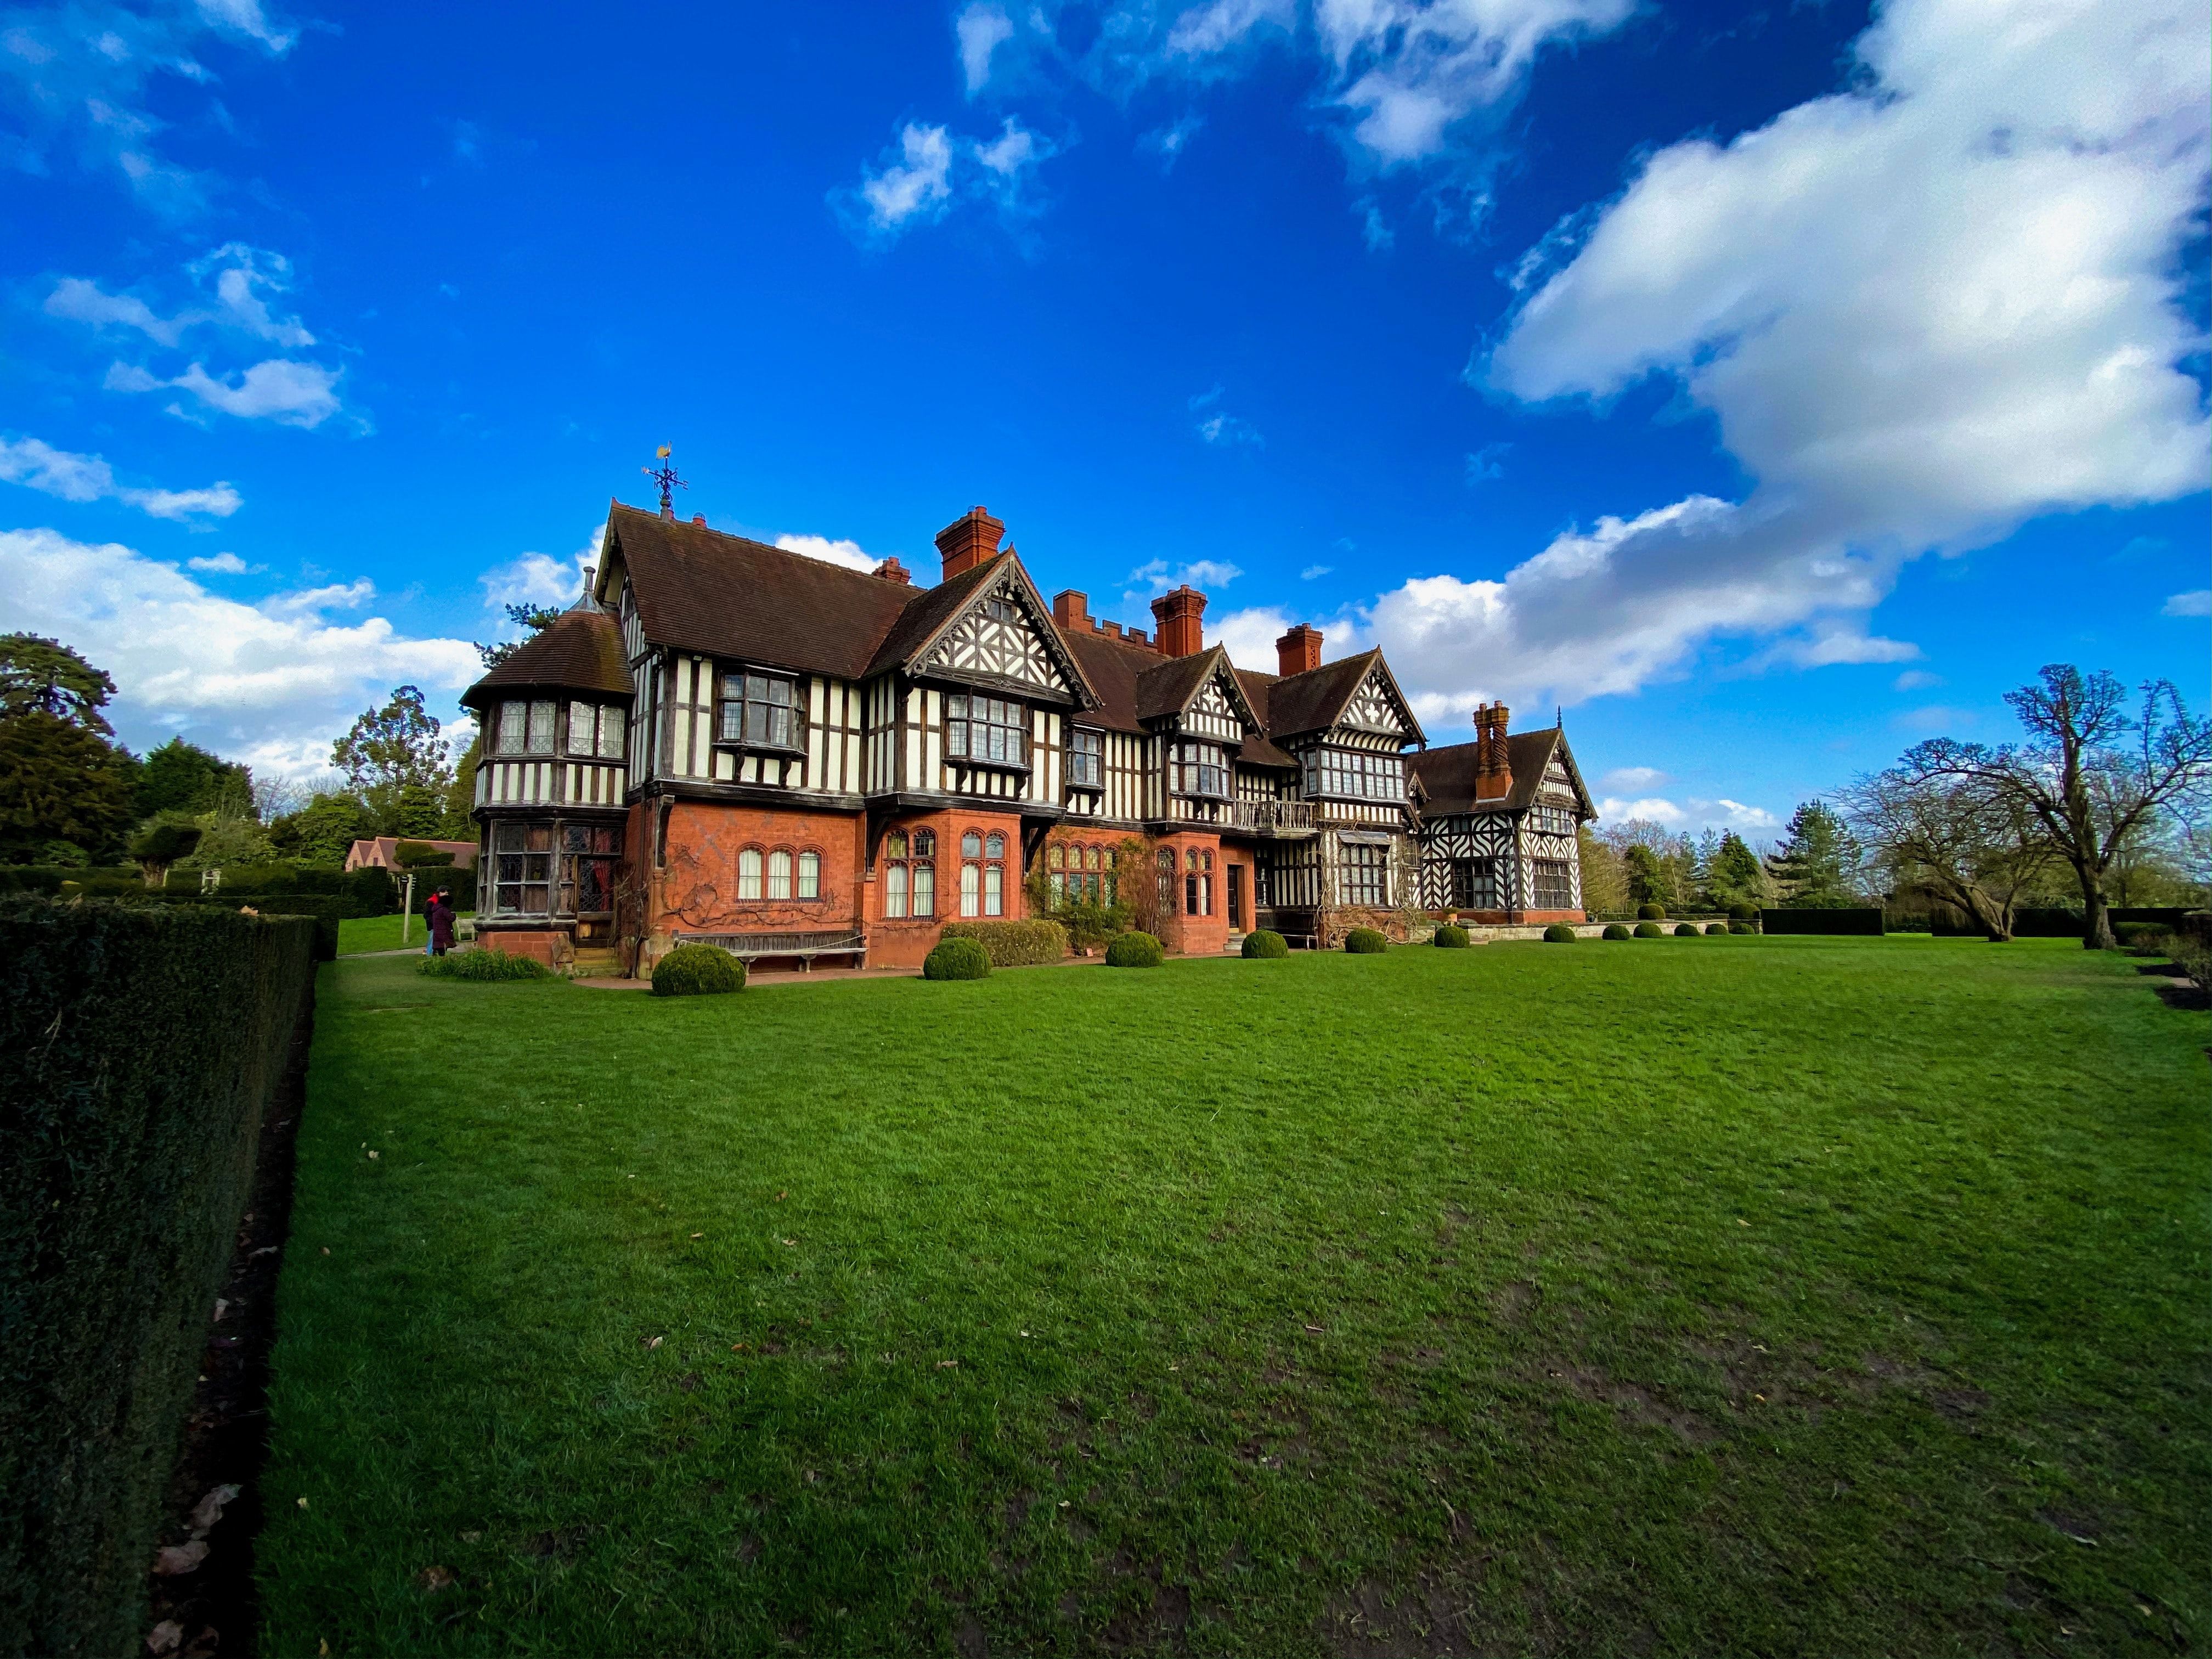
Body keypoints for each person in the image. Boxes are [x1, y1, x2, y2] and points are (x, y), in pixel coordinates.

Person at [428, 887, 456, 957]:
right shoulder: (444, 909)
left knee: (438, 948)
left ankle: (433, 956)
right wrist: (453, 914)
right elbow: (451, 918)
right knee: (442, 949)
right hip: (444, 932)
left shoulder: (436, 910)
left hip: (437, 932)